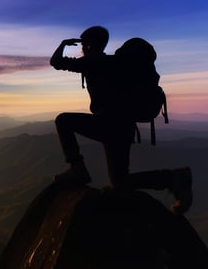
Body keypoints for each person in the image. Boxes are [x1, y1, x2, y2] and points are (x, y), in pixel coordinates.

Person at [50, 26, 192, 213]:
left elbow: (56, 62)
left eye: (84, 44)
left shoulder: (94, 61)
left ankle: (77, 168)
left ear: (89, 44)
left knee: (63, 120)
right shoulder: (115, 63)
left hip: (107, 124)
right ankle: (172, 178)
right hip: (124, 127)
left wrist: (63, 45)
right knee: (120, 181)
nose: (82, 48)